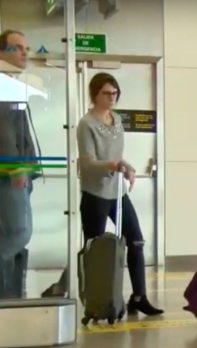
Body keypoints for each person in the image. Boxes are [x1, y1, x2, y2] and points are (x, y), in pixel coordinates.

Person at [43, 73, 163, 315]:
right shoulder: (86, 124)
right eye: (107, 94)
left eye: (115, 94)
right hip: (95, 193)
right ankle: (70, 288)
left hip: (117, 192)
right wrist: (114, 166)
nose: (112, 98)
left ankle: (139, 296)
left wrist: (127, 167)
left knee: (136, 240)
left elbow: (117, 156)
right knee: (94, 248)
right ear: (94, 95)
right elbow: (87, 163)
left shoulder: (117, 120)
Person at [0, 29, 34, 299]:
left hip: (20, 172)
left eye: (26, 47)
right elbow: (4, 132)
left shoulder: (12, 83)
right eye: (17, 47)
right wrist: (14, 167)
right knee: (18, 234)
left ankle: (11, 298)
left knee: (16, 235)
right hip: (10, 174)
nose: (25, 52)